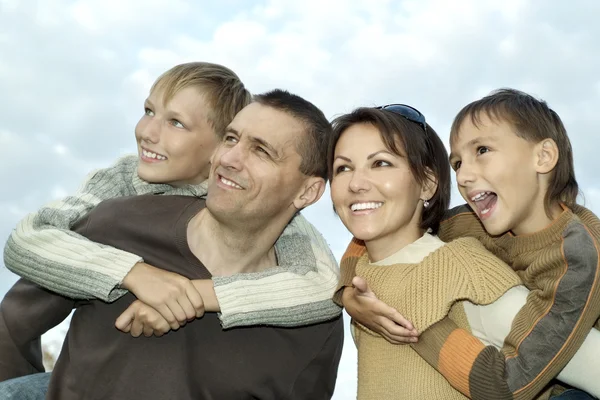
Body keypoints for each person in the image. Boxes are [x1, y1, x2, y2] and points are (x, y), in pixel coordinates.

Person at [0, 63, 340, 390]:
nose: (147, 132)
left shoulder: (279, 220)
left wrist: (189, 296)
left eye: (176, 123)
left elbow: (323, 284)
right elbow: (31, 242)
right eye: (148, 111)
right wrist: (136, 274)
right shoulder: (118, 192)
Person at [338, 90, 600, 399]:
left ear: (542, 157)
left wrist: (414, 323)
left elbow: (511, 384)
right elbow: (383, 232)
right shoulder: (469, 223)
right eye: (458, 162)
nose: (463, 176)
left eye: (483, 150)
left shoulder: (577, 258)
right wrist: (348, 293)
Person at [328, 104, 524, 399]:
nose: (355, 183)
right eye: (343, 168)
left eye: (380, 163)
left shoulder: (463, 268)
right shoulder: (361, 274)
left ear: (427, 183)